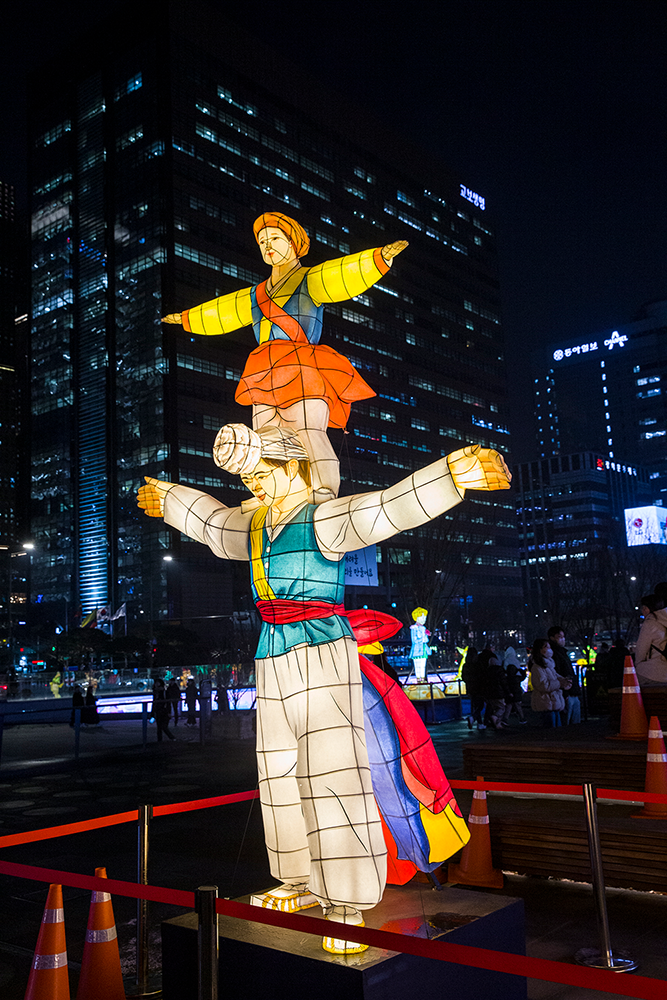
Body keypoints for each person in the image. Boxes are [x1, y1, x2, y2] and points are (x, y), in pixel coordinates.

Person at [138, 423, 510, 951]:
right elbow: (215, 525)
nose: (254, 485)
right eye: (248, 478)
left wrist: (452, 476)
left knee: (332, 772)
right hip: (271, 653)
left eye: (261, 473)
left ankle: (345, 901)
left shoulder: (324, 518)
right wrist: (171, 500)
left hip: (321, 649)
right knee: (277, 772)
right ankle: (296, 878)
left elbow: (387, 507)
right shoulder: (256, 523)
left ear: (295, 466)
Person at [162, 213, 408, 500]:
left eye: (275, 238)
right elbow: (222, 310)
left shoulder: (311, 279)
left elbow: (342, 274)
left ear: (293, 243)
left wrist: (378, 259)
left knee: (309, 430)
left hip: (300, 366)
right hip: (263, 369)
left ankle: (324, 491)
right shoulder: (255, 295)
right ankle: (273, 496)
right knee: (263, 438)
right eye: (262, 241)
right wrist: (187, 318)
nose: (268, 245)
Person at [529, 638, 571, 727]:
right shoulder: (537, 668)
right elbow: (543, 685)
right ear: (540, 650)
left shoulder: (549, 665)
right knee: (550, 730)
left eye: (549, 647)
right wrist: (560, 683)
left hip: (553, 704)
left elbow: (556, 677)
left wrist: (565, 681)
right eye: (546, 647)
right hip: (546, 704)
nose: (549, 649)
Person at [548, 626, 581, 724]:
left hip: (570, 691)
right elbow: (558, 673)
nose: (562, 639)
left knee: (570, 721)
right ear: (552, 638)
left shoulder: (561, 652)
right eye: (559, 637)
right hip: (566, 692)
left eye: (563, 636)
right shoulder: (555, 654)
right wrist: (565, 693)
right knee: (568, 721)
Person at [635, 594, 667, 686]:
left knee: (631, 678)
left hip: (657, 673)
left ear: (647, 608)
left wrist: (638, 665)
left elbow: (641, 651)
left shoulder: (650, 623)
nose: (642, 611)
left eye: (643, 608)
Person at [478, 642, 508, 730]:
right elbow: (503, 682)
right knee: (499, 707)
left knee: (485, 704)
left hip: (484, 686)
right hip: (497, 690)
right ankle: (494, 720)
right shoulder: (496, 664)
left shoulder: (480, 657)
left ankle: (483, 721)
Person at [461, 646, 485, 730]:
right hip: (479, 687)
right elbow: (482, 676)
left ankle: (479, 723)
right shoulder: (478, 664)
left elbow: (463, 677)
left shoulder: (466, 665)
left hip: (470, 688)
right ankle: (474, 718)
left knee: (475, 705)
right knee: (480, 705)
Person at [502, 646, 527, 725]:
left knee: (509, 704)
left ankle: (505, 719)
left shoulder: (505, 661)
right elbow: (521, 674)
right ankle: (522, 718)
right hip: (516, 686)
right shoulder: (516, 661)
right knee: (517, 704)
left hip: (509, 685)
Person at [408, 607, 430, 682]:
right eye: (422, 617)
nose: (424, 619)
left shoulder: (423, 628)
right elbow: (414, 640)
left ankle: (423, 679)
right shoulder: (414, 628)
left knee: (423, 665)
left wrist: (425, 638)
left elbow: (426, 639)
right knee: (417, 665)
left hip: (423, 649)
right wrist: (422, 640)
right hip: (417, 650)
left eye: (425, 618)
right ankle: (418, 679)